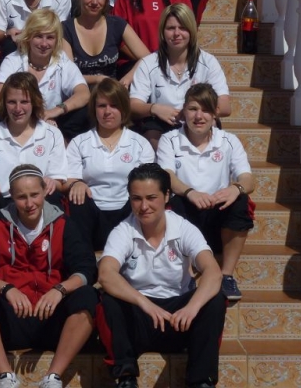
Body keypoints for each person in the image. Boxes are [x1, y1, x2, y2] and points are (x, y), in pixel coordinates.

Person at [0, 164, 98, 388]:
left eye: (34, 194)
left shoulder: (63, 223)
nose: (29, 203)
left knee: (87, 296)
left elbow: (86, 269)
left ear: (45, 191)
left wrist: (59, 289)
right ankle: (6, 375)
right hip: (10, 319)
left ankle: (53, 377)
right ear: (11, 196)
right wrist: (6, 288)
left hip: (51, 317)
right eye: (21, 197)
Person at [96, 163, 226, 388]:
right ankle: (126, 377)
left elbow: (213, 272)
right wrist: (144, 303)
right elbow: (106, 274)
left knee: (215, 299)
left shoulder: (183, 228)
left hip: (179, 319)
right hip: (140, 318)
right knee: (108, 301)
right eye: (136, 199)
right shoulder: (123, 231)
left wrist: (191, 308)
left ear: (166, 196)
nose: (144, 206)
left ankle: (201, 381)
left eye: (151, 198)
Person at [156, 83, 255, 302]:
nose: (199, 116)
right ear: (184, 111)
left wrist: (234, 188)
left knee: (240, 200)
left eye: (206, 110)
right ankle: (187, 275)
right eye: (193, 109)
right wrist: (190, 192)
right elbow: (166, 175)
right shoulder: (169, 140)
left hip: (216, 216)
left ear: (215, 113)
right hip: (187, 214)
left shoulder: (229, 141)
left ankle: (226, 275)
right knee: (174, 202)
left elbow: (248, 179)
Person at [64, 79, 155, 250]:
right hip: (92, 211)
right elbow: (68, 178)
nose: (107, 112)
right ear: (94, 109)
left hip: (128, 210)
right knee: (77, 198)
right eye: (102, 106)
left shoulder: (140, 144)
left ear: (124, 109)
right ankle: (84, 258)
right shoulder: (79, 142)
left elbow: (148, 182)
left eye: (114, 106)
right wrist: (76, 183)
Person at [129, 3, 230, 152]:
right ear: (162, 32)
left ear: (191, 31)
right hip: (161, 124)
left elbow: (225, 107)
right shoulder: (148, 64)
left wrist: (191, 113)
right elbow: (133, 105)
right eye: (171, 28)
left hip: (198, 120)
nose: (177, 33)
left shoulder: (208, 62)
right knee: (151, 135)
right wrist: (154, 108)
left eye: (182, 28)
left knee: (211, 124)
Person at [0, 72, 68, 225]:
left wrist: (51, 182)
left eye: (24, 102)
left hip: (36, 200)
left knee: (53, 196)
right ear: (4, 103)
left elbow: (58, 180)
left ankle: (46, 238)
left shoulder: (52, 134)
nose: (18, 108)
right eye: (11, 102)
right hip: (3, 199)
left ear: (34, 102)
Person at [0, 8, 90, 140]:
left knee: (83, 112)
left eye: (50, 37)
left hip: (55, 121)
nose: (44, 43)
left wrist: (54, 111)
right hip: (19, 120)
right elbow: (0, 94)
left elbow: (83, 93)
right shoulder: (13, 60)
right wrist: (37, 118)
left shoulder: (62, 61)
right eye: (38, 36)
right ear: (29, 37)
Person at [62, 0, 150, 89]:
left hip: (112, 93)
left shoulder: (117, 24)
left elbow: (148, 58)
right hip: (81, 93)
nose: (94, 2)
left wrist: (127, 79)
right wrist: (98, 79)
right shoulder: (66, 29)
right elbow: (67, 75)